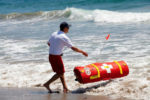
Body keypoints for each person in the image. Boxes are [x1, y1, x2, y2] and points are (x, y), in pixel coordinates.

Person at [43, 22, 88, 93]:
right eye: (68, 28)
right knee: (60, 73)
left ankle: (65, 88)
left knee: (60, 72)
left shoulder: (54, 33)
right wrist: (83, 52)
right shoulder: (64, 37)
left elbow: (49, 43)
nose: (69, 29)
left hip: (51, 56)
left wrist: (57, 50)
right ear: (65, 28)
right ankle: (47, 84)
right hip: (56, 57)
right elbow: (73, 48)